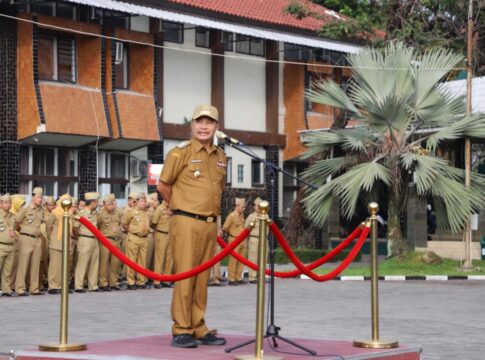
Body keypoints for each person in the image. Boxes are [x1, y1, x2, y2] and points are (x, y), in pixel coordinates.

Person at [157, 104, 227, 348]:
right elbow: (163, 185)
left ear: (217, 127)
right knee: (186, 275)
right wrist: (178, 206)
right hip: (186, 220)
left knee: (201, 278)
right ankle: (181, 328)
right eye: (200, 122)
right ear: (192, 125)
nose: (204, 126)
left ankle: (198, 326)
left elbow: (218, 191)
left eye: (209, 122)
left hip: (209, 222)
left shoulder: (221, 156)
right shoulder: (180, 153)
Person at [15, 187, 46, 296]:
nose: (40, 199)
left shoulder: (41, 210)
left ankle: (34, 288)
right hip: (26, 238)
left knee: (36, 265)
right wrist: (22, 231)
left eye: (41, 197)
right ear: (33, 197)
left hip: (37, 239)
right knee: (23, 264)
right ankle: (20, 288)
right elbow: (16, 222)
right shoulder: (25, 209)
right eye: (38, 197)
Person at [122, 192, 151, 290]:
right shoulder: (131, 212)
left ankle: (141, 281)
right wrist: (131, 231)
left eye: (144, 201)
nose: (143, 203)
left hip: (144, 239)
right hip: (134, 238)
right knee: (131, 261)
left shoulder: (146, 212)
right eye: (141, 201)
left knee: (142, 261)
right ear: (137, 202)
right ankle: (131, 282)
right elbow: (124, 224)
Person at [73, 192, 100, 293]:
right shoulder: (81, 213)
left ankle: (93, 285)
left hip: (95, 240)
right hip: (85, 239)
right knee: (82, 263)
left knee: (94, 263)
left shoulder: (94, 214)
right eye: (96, 202)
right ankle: (78, 285)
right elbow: (75, 227)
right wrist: (79, 235)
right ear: (92, 202)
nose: (97, 203)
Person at [45, 194, 71, 294]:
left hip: (65, 242)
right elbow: (48, 225)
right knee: (54, 266)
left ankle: (61, 285)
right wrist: (52, 236)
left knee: (63, 266)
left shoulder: (69, 213)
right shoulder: (55, 213)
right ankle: (53, 286)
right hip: (56, 242)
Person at [97, 194, 123, 291]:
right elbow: (97, 227)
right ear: (104, 205)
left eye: (113, 204)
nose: (111, 206)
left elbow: (120, 223)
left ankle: (113, 282)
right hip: (106, 241)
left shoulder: (118, 213)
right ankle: (103, 283)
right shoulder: (100, 215)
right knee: (104, 263)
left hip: (116, 240)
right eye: (109, 205)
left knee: (115, 263)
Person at [223, 198, 247, 285]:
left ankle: (238, 277)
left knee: (241, 260)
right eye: (242, 207)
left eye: (244, 207)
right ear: (237, 206)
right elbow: (225, 228)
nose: (243, 209)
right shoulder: (231, 216)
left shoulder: (241, 215)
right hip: (234, 240)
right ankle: (231, 278)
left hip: (242, 240)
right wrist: (230, 234)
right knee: (233, 260)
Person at [245, 197, 268, 284]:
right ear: (254, 207)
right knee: (253, 258)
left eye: (260, 206)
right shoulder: (251, 216)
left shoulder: (266, 216)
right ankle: (252, 277)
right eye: (257, 206)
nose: (258, 207)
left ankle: (261, 276)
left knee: (263, 259)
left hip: (264, 239)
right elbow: (246, 229)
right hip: (254, 239)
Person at [151, 199, 173, 289]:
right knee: (160, 258)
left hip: (170, 235)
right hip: (161, 234)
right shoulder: (159, 209)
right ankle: (157, 280)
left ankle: (166, 280)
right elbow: (153, 223)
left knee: (169, 258)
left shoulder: (172, 209)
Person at [0, 194, 17, 297]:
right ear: (1, 204)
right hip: (1, 246)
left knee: (8, 270)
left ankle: (6, 289)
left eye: (10, 203)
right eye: (6, 203)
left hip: (11, 245)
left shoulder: (13, 216)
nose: (8, 205)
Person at [208, 216, 222, 286]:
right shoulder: (207, 212)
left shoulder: (218, 215)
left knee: (217, 259)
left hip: (217, 239)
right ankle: (209, 277)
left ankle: (216, 277)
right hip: (209, 239)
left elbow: (219, 226)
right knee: (208, 258)